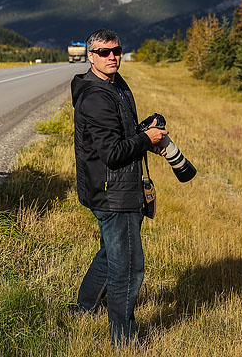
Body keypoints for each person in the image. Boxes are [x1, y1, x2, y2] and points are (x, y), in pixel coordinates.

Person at [69, 28, 168, 346]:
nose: (112, 57)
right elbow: (112, 153)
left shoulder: (115, 85)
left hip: (118, 187)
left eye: (116, 51)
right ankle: (125, 341)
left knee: (112, 254)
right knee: (127, 268)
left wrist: (143, 136)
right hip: (113, 191)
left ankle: (83, 309)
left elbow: (119, 135)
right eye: (103, 52)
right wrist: (145, 139)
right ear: (90, 56)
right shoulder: (97, 96)